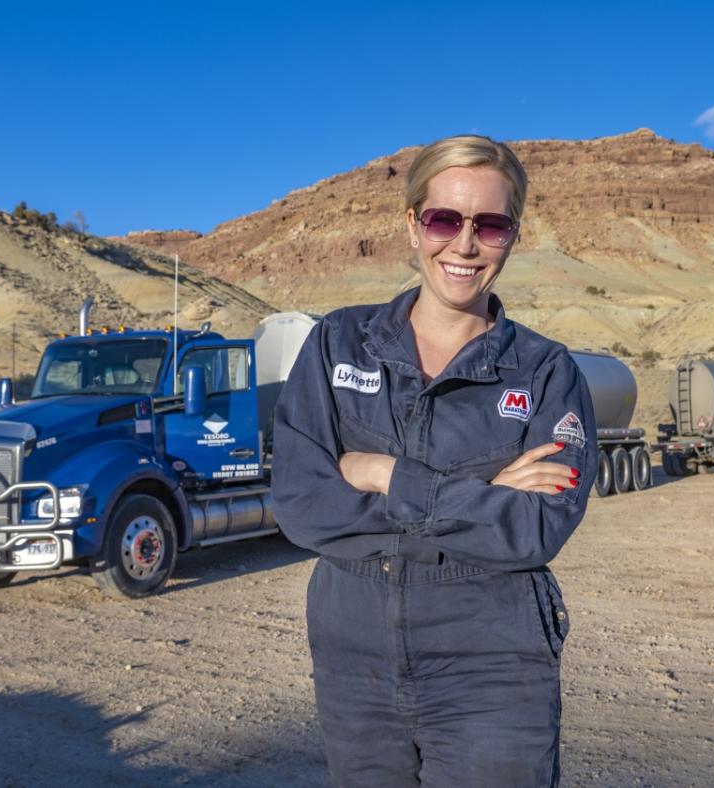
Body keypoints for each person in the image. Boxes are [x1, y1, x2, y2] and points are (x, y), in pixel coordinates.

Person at [271, 134, 598, 787]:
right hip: (352, 653)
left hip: (492, 659)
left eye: (491, 224)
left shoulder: (544, 372)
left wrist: (385, 474)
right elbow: (304, 506)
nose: (465, 244)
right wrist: (483, 491)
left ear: (514, 235)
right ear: (412, 224)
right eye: (444, 219)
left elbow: (537, 528)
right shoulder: (338, 345)